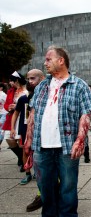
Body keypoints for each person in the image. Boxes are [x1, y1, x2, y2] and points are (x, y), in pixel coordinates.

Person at [25, 46, 91, 216]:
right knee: (45, 189)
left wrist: (79, 141)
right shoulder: (42, 86)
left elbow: (85, 115)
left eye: (48, 59)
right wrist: (28, 143)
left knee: (67, 190)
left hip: (66, 148)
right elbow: (33, 114)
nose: (45, 63)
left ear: (61, 61)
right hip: (41, 148)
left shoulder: (79, 85)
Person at [23, 69, 45, 212]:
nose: (30, 81)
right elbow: (29, 117)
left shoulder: (48, 92)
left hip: (48, 138)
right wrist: (27, 137)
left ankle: (45, 195)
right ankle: (41, 194)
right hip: (35, 136)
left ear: (41, 78)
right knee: (38, 168)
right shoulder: (31, 95)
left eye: (33, 78)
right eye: (28, 79)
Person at [3, 72, 28, 172]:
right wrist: (9, 107)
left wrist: (17, 107)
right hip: (11, 118)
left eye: (11, 80)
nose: (10, 83)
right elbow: (6, 104)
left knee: (20, 141)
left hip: (20, 118)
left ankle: (24, 162)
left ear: (16, 80)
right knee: (9, 139)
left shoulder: (25, 92)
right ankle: (21, 158)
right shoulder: (10, 91)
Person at [10, 73, 30, 184]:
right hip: (24, 127)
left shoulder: (41, 97)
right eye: (29, 79)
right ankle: (27, 173)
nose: (31, 81)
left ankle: (37, 172)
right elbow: (16, 114)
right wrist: (13, 128)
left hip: (36, 129)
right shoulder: (23, 98)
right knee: (24, 150)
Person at [0, 82, 8, 147]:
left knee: (1, 129)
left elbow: (7, 103)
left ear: (1, 88)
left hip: (3, 113)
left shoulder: (3, 95)